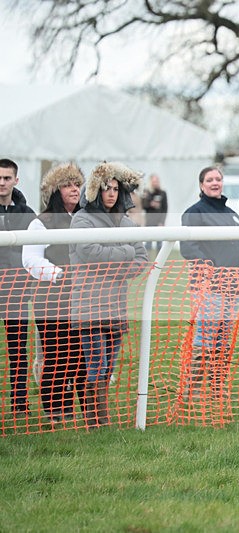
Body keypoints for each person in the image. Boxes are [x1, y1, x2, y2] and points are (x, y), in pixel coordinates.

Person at [70, 162, 149, 428]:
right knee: (96, 364)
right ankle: (94, 420)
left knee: (109, 367)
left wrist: (118, 264)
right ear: (95, 190)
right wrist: (123, 255)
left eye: (115, 188)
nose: (111, 193)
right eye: (106, 188)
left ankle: (101, 419)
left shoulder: (127, 221)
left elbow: (142, 258)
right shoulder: (81, 218)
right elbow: (89, 252)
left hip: (116, 304)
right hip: (89, 304)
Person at [22, 163, 86, 423]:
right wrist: (59, 274)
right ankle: (55, 409)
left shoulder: (87, 219)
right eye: (67, 185)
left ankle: (84, 408)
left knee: (79, 353)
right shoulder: (41, 223)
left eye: (76, 184)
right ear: (55, 190)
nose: (74, 189)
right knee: (56, 352)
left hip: (83, 297)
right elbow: (31, 260)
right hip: (51, 297)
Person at [180, 166, 239, 402]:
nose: (215, 182)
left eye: (218, 178)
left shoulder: (231, 212)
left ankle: (218, 387)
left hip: (231, 286)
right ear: (201, 185)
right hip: (208, 286)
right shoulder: (193, 213)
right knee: (205, 338)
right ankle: (193, 390)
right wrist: (210, 266)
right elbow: (188, 247)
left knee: (224, 339)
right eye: (210, 179)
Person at [0, 158, 37, 415]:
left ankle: (19, 403)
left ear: (16, 180)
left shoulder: (27, 215)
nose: (1, 183)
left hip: (15, 291)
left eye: (6, 178)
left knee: (18, 351)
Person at [140, 173, 168, 251]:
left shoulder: (162, 193)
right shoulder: (147, 192)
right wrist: (150, 204)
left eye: (156, 181)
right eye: (153, 181)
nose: (155, 183)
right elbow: (143, 206)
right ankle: (147, 261)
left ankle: (159, 262)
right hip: (149, 221)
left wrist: (162, 222)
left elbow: (165, 209)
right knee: (148, 244)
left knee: (159, 244)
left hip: (159, 221)